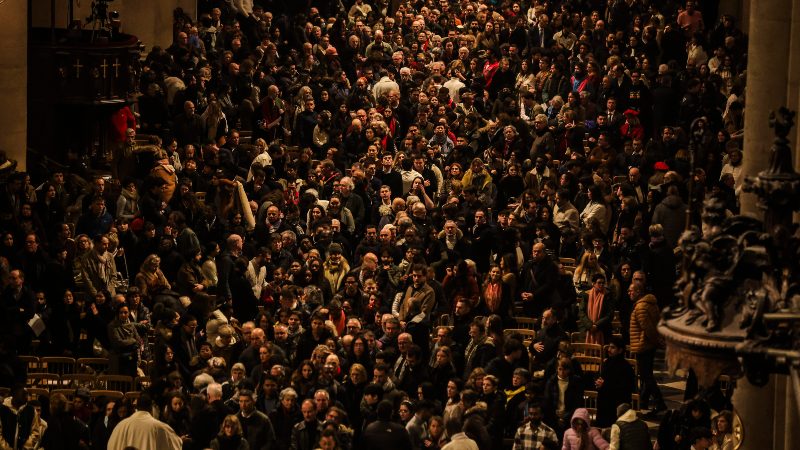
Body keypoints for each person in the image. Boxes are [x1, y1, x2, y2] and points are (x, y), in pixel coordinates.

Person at [628, 282, 667, 415]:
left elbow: (648, 328)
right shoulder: (651, 303)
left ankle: (660, 402)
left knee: (646, 376)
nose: (629, 293)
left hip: (643, 345)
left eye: (631, 291)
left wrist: (656, 341)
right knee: (646, 375)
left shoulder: (640, 307)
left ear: (639, 291)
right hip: (648, 345)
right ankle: (644, 401)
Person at [107, 393, 183, 450]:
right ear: (151, 408)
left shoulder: (121, 425)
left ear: (136, 408)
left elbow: (111, 446)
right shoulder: (161, 427)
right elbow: (176, 445)